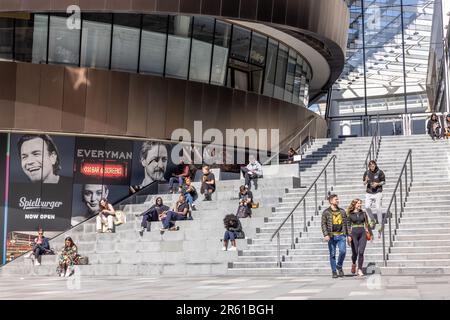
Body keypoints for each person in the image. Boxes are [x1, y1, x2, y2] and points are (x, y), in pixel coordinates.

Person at [321, 194, 351, 279]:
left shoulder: (342, 211)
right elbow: (323, 224)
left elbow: (347, 224)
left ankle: (339, 265)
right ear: (331, 201)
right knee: (332, 254)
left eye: (338, 199)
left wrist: (349, 235)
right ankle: (334, 271)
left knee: (343, 251)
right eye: (335, 199)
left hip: (341, 235)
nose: (337, 201)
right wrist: (326, 234)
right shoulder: (326, 212)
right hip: (331, 236)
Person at [347, 199, 372, 277]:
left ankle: (360, 269)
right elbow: (348, 226)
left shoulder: (364, 213)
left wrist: (371, 234)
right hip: (353, 234)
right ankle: (354, 263)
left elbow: (367, 224)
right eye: (358, 203)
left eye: (360, 203)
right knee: (355, 253)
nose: (360, 205)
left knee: (361, 252)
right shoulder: (350, 214)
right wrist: (349, 236)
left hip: (362, 233)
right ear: (354, 204)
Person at [363, 160, 386, 238]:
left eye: (373, 165)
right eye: (370, 166)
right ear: (369, 166)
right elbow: (364, 183)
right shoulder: (367, 172)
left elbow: (384, 182)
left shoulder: (380, 172)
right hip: (369, 192)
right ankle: (373, 219)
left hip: (378, 192)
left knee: (378, 208)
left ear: (375, 165)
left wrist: (378, 184)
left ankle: (380, 224)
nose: (372, 167)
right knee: (366, 206)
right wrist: (366, 180)